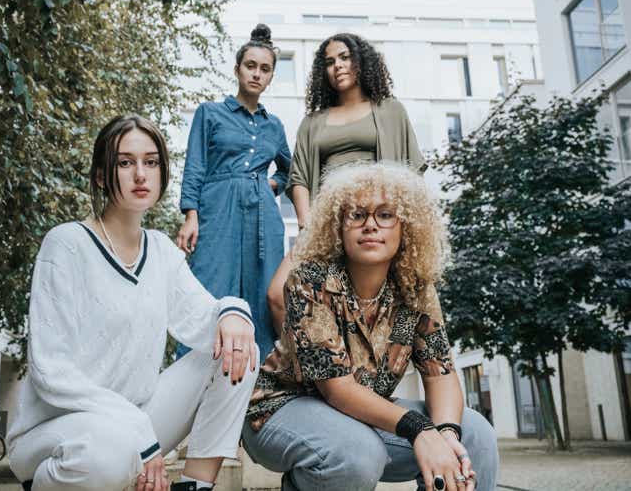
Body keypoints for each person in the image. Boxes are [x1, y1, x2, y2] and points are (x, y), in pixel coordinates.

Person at [6, 115, 259, 491]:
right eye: (125, 162)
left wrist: (236, 312)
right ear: (101, 176)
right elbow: (50, 370)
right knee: (108, 452)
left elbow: (206, 321)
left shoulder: (160, 250)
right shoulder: (66, 244)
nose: (141, 174)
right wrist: (137, 430)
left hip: (136, 422)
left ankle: (194, 486)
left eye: (151, 162)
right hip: (58, 429)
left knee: (239, 350)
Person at [243, 164, 499, 491]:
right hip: (280, 409)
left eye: (385, 215)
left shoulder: (416, 289)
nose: (370, 225)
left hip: (357, 418)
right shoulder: (312, 280)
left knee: (473, 434)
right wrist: (420, 429)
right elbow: (338, 390)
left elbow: (439, 374)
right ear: (338, 227)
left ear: (406, 226)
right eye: (357, 215)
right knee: (357, 453)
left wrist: (445, 434)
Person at [267, 32, 425, 327]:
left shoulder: (390, 110)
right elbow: (298, 176)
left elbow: (411, 174)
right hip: (325, 222)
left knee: (374, 308)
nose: (337, 65)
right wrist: (307, 224)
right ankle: (308, 369)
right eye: (329, 61)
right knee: (278, 295)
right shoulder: (313, 122)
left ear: (361, 61)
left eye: (344, 57)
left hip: (372, 222)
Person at [177, 24, 291, 358]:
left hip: (262, 217)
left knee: (263, 293)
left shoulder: (275, 126)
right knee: (208, 286)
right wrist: (190, 215)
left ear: (270, 77)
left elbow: (289, 169)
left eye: (265, 69)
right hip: (217, 208)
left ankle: (263, 389)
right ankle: (194, 376)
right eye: (250, 66)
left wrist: (272, 184)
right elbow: (195, 165)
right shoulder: (210, 113)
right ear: (237, 68)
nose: (257, 74)